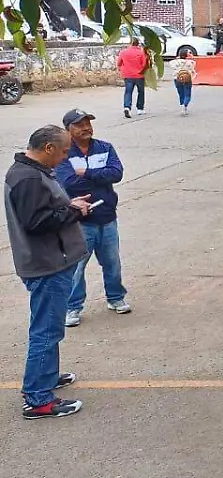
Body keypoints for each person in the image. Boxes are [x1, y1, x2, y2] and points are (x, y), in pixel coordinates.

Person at [4, 126, 92, 420]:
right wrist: (74, 212)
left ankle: (47, 377)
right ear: (49, 148)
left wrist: (69, 205)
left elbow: (45, 210)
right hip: (46, 264)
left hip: (51, 261)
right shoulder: (28, 178)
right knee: (46, 330)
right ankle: (38, 398)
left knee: (48, 327)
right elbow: (37, 221)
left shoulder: (32, 172)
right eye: (65, 151)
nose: (66, 157)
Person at [55, 109, 131, 328]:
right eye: (80, 124)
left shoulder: (105, 148)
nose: (86, 127)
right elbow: (68, 182)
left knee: (112, 262)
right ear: (68, 130)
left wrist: (86, 174)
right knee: (76, 267)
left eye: (88, 123)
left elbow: (117, 173)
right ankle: (72, 307)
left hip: (107, 216)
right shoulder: (64, 153)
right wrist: (100, 176)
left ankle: (115, 297)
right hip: (79, 221)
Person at [116, 38, 148, 118]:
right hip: (139, 75)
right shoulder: (141, 53)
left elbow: (119, 63)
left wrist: (123, 68)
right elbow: (144, 64)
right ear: (138, 44)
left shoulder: (123, 52)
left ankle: (127, 107)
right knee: (141, 92)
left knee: (128, 92)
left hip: (128, 75)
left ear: (130, 44)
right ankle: (140, 109)